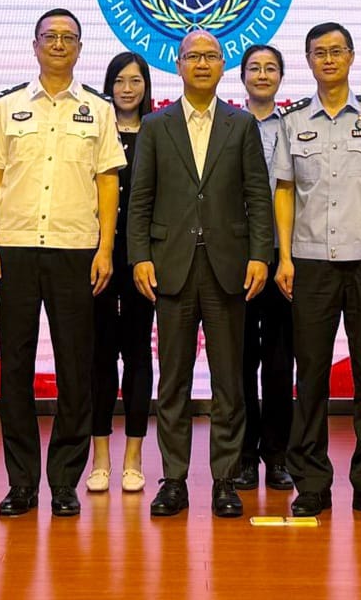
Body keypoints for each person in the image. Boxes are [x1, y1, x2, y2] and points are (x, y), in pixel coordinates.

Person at [0, 9, 125, 518]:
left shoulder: (97, 109)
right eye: (50, 36)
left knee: (75, 369)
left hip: (76, 249)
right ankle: (22, 483)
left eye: (68, 37)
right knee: (15, 369)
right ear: (35, 44)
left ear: (80, 48)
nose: (59, 44)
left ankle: (64, 481)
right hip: (15, 248)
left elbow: (108, 181)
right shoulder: (9, 106)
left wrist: (105, 248)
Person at [128, 30, 274, 518]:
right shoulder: (155, 125)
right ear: (178, 63)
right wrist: (139, 256)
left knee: (230, 380)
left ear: (223, 64)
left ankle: (225, 480)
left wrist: (260, 255)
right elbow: (140, 198)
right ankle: (173, 480)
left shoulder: (240, 124)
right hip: (170, 266)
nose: (203, 63)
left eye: (212, 56)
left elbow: (258, 195)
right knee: (173, 380)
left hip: (228, 266)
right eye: (194, 56)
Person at [273, 22, 361, 519]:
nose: (328, 59)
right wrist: (284, 256)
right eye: (319, 52)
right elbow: (284, 190)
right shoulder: (293, 120)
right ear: (309, 60)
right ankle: (311, 482)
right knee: (310, 376)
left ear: (351, 57)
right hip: (310, 263)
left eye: (336, 51)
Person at [87, 52, 156, 495]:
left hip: (142, 259)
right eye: (119, 80)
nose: (127, 89)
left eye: (135, 81)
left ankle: (133, 457)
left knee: (137, 353)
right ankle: (100, 459)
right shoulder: (94, 129)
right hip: (95, 255)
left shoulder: (159, 131)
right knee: (98, 356)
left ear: (147, 86)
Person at [236, 44, 294, 492]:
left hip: (285, 256)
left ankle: (277, 456)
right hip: (237, 257)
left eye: (270, 68)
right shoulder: (229, 125)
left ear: (280, 77)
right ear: (242, 76)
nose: (262, 74)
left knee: (279, 362)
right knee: (239, 362)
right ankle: (242, 456)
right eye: (254, 68)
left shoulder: (293, 126)